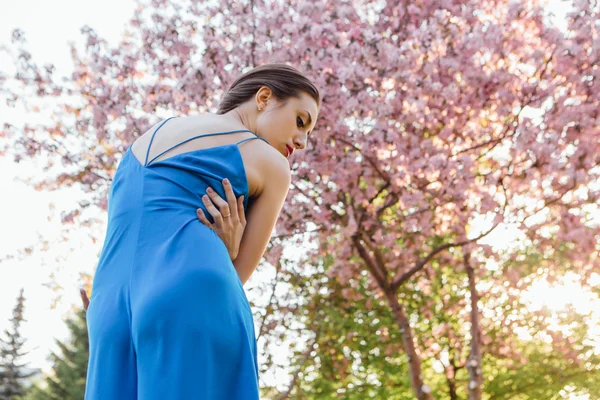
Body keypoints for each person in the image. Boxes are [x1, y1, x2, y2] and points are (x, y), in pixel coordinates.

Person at [81, 63, 320, 400]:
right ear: (264, 97)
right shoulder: (270, 163)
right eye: (301, 121)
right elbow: (237, 275)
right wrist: (228, 249)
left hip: (109, 304)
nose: (303, 141)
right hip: (192, 290)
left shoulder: (147, 137)